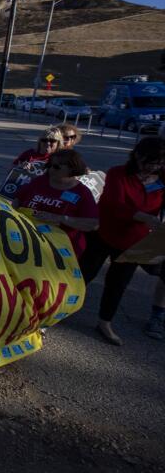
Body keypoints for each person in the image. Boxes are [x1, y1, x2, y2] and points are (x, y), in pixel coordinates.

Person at [79, 137, 165, 346]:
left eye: (158, 163)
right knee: (84, 275)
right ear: (137, 155)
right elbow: (113, 204)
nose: (152, 168)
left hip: (134, 242)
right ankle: (55, 311)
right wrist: (144, 217)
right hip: (104, 233)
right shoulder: (118, 173)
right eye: (148, 162)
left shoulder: (162, 179)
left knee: (118, 284)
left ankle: (105, 322)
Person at [13, 149, 98, 258]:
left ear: (72, 168)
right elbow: (17, 200)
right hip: (29, 240)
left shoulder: (82, 192)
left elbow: (93, 224)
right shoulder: (39, 181)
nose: (51, 169)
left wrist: (61, 218)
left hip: (61, 249)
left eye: (56, 167)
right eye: (49, 165)